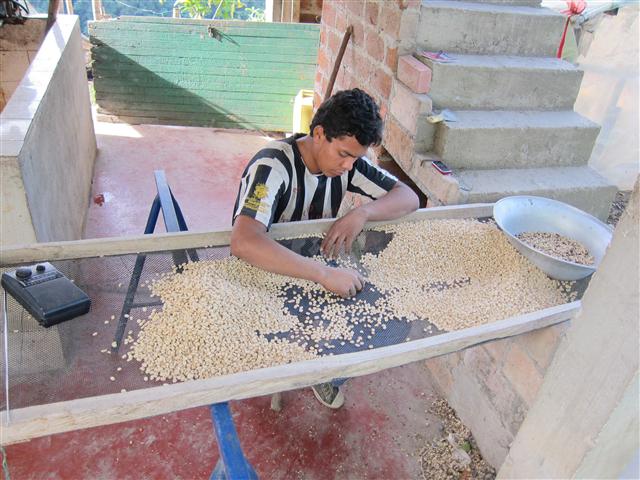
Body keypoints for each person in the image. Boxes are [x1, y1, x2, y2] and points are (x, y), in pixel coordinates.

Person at [231, 88, 419, 408]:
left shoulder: (350, 165)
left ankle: (326, 374)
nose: (348, 166)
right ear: (319, 134)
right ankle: (285, 363)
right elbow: (244, 241)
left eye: (355, 158)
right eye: (343, 154)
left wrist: (362, 213)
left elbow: (409, 197)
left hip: (315, 264)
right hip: (266, 272)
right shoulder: (271, 166)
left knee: (393, 321)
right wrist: (323, 274)